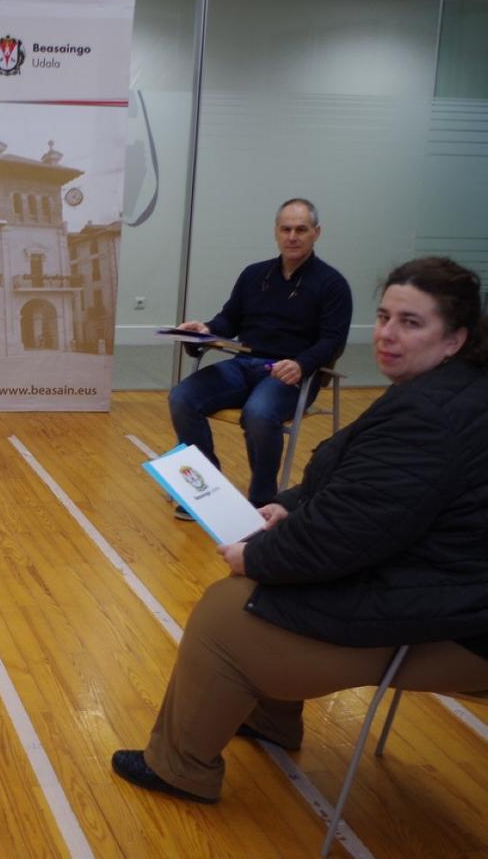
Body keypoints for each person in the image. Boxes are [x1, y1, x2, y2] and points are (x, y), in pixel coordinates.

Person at [113, 257, 488, 804]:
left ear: (455, 339)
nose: (386, 333)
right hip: (444, 587)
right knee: (274, 585)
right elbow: (361, 490)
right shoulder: (444, 390)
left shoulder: (429, 415)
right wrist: (287, 507)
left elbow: (342, 535)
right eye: (385, 317)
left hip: (455, 621)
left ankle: (179, 768)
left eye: (411, 323)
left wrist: (255, 557)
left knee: (226, 609)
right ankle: (272, 720)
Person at [168, 198, 351, 509]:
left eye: (301, 229)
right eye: (286, 229)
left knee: (259, 414)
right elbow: (229, 320)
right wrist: (204, 329)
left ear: (316, 233)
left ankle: (262, 501)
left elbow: (332, 341)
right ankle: (207, 488)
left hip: (290, 373)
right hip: (244, 365)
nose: (292, 236)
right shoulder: (254, 275)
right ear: (276, 232)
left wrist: (302, 364)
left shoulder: (332, 284)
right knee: (182, 397)